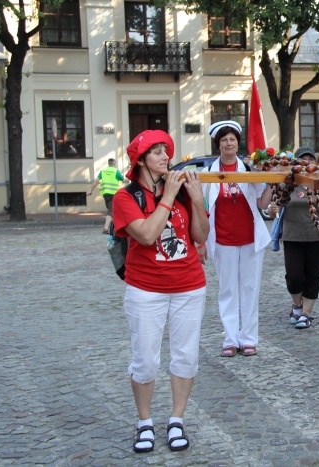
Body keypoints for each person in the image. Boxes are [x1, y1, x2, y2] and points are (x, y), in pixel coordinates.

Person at [112, 130, 209, 453]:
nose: (165, 157)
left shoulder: (180, 192)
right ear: (140, 160)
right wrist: (168, 196)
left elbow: (201, 235)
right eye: (155, 152)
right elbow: (147, 235)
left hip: (189, 286)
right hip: (146, 289)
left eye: (166, 151)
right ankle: (144, 423)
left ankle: (177, 420)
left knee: (185, 357)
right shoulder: (126, 198)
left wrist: (195, 199)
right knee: (145, 361)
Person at [201, 120, 273, 357]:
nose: (228, 143)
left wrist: (271, 181)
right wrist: (200, 240)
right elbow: (202, 208)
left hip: (250, 239)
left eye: (232, 139)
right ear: (218, 145)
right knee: (228, 290)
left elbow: (262, 203)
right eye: (224, 140)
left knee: (250, 289)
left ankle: (249, 338)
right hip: (223, 240)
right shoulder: (208, 174)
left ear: (237, 143)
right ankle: (230, 339)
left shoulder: (250, 171)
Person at [269, 147, 319, 329]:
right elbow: (274, 207)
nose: (308, 162)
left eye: (311, 158)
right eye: (304, 159)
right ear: (297, 163)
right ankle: (297, 305)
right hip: (292, 235)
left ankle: (306, 313)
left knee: (313, 275)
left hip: (316, 236)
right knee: (294, 276)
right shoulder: (288, 182)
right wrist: (272, 210)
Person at [88, 158, 125, 233]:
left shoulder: (103, 171)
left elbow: (96, 181)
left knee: (111, 209)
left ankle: (114, 227)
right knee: (111, 210)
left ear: (108, 163)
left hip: (105, 194)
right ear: (114, 164)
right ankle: (105, 227)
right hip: (114, 193)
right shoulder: (116, 171)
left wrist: (90, 190)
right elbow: (123, 179)